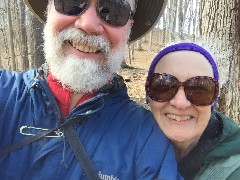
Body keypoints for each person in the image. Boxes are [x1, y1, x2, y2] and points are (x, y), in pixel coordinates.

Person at [0, 0, 182, 179]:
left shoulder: (146, 138)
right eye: (71, 2)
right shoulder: (4, 92)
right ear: (49, 9)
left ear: (129, 28)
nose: (88, 24)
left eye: (113, 9)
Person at [145, 42, 240, 179]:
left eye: (199, 90)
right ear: (149, 97)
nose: (180, 103)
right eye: (163, 86)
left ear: (213, 101)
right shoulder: (125, 146)